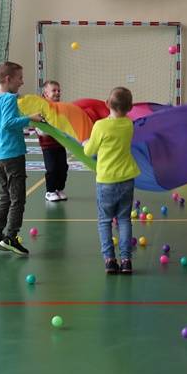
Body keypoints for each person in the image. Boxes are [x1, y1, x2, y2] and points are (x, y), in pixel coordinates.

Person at [0, 61, 43, 256]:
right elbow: (8, 124)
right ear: (8, 79)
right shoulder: (10, 99)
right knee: (18, 199)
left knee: (4, 196)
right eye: (19, 78)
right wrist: (30, 117)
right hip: (12, 154)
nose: (22, 82)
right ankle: (10, 237)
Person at [83, 87, 141, 275]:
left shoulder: (100, 126)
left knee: (104, 221)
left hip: (106, 180)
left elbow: (89, 151)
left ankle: (109, 260)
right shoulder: (129, 124)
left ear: (107, 104)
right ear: (130, 107)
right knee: (124, 220)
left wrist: (85, 143)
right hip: (127, 179)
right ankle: (126, 261)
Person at [38, 80, 69, 202]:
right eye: (54, 90)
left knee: (63, 167)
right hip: (48, 146)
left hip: (60, 144)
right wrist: (51, 129)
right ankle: (50, 191)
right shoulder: (41, 108)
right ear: (46, 94)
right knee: (51, 168)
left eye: (59, 90)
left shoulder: (60, 108)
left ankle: (59, 189)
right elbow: (40, 129)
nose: (57, 93)